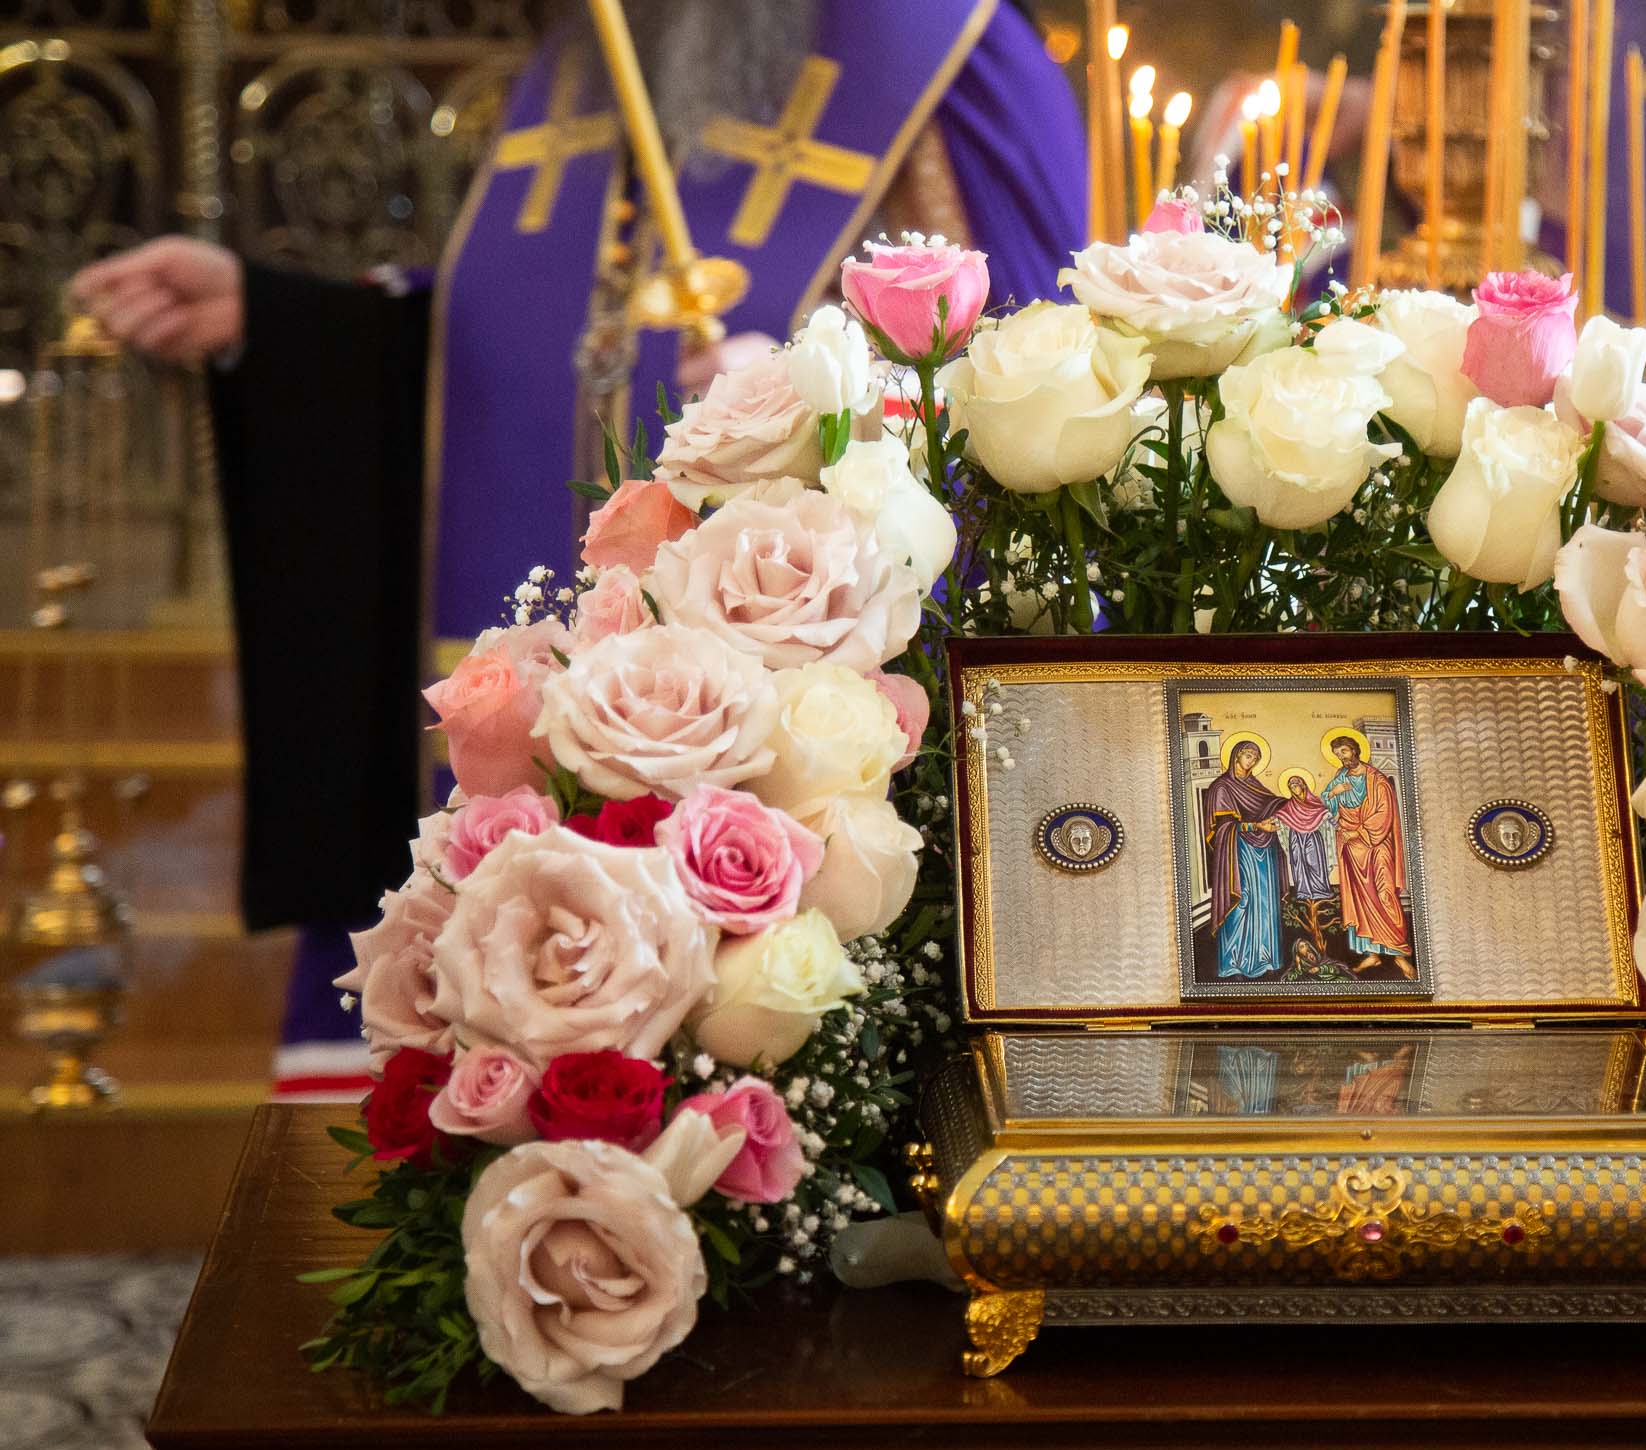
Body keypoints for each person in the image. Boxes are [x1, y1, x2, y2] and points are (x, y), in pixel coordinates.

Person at [69, 0, 1085, 1097]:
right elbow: (546, 341)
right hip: (544, 725)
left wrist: (820, 401)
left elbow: (1036, 406)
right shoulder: (596, 51)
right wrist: (285, 324)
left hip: (788, 775)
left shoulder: (950, 54)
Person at [1319, 733, 1414, 979]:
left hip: (1376, 843)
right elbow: (1325, 807)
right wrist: (1332, 793)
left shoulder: (1376, 780)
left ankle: (1399, 954)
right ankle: (1372, 953)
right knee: (1361, 899)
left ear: (1355, 750)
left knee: (1384, 894)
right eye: (1337, 754)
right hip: (1352, 848)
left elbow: (1384, 812)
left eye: (1344, 751)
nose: (1342, 757)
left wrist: (1359, 831)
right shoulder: (1340, 777)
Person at [1202, 740, 1287, 980]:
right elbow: (1222, 828)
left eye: (1256, 758)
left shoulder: (1255, 786)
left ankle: (1265, 957)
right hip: (1237, 851)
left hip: (1264, 852)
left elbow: (1274, 805)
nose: (1252, 761)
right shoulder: (1222, 787)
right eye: (1249, 755)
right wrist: (1256, 826)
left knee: (1265, 902)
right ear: (1236, 755)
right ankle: (1234, 962)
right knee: (1242, 900)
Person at [1271, 767, 1337, 943]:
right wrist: (1274, 820)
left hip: (1312, 838)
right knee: (1299, 863)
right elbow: (1280, 816)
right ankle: (1304, 890)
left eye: (1296, 784)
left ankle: (1320, 888)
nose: (1294, 788)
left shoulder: (1314, 803)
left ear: (1303, 785)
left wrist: (1334, 822)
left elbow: (1325, 814)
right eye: (1291, 786)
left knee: (1314, 862)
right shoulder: (1289, 806)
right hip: (1296, 838)